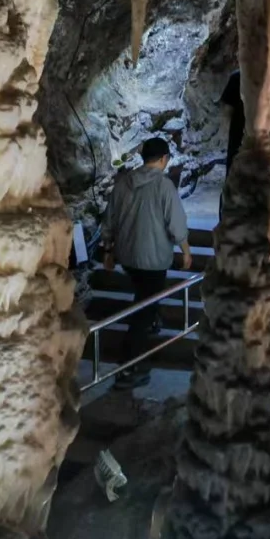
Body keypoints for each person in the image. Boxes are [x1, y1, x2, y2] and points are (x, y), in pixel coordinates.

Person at [102, 137, 191, 387]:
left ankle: (153, 318)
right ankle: (128, 369)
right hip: (153, 260)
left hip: (128, 256)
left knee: (144, 295)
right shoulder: (164, 187)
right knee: (142, 310)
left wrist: (108, 251)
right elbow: (176, 223)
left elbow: (109, 220)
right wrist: (185, 249)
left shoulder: (123, 184)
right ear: (163, 159)